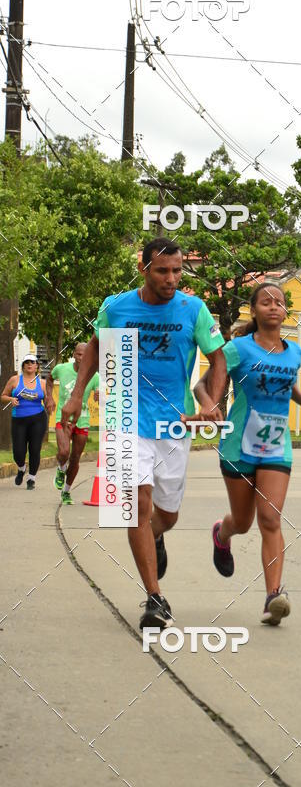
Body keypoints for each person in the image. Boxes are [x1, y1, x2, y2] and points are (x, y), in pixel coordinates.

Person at [60, 238, 227, 630]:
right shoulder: (116, 308)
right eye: (162, 271)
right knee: (137, 504)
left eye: (177, 271)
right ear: (144, 270)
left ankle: (156, 537)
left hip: (173, 424)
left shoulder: (194, 310)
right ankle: (155, 598)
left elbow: (218, 359)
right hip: (125, 417)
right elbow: (98, 350)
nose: (171, 279)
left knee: (166, 515)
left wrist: (211, 403)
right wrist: (75, 396)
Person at [192, 282, 301, 626]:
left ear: (285, 312)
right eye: (266, 302)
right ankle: (222, 534)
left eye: (279, 303)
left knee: (270, 519)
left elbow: (287, 381)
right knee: (243, 521)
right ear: (255, 310)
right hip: (238, 445)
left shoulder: (294, 351)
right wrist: (209, 406)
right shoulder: (237, 349)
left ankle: (273, 597)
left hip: (277, 448)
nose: (274, 307)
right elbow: (202, 385)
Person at [45, 343, 100, 505]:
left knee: (75, 458)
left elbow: (100, 391)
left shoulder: (94, 375)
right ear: (74, 355)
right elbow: (49, 379)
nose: (81, 358)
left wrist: (98, 394)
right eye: (78, 354)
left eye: (84, 355)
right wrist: (49, 397)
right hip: (63, 417)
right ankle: (61, 470)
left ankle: (67, 492)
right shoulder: (61, 369)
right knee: (64, 452)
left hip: (82, 420)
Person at [1, 353, 49, 489]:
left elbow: (48, 400)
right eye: (27, 362)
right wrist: (11, 399)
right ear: (23, 365)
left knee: (35, 449)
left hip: (38, 419)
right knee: (18, 452)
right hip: (19, 420)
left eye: (32, 362)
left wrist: (51, 404)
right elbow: (3, 396)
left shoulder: (43, 383)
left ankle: (31, 479)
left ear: (36, 366)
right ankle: (22, 468)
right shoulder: (15, 380)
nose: (29, 364)